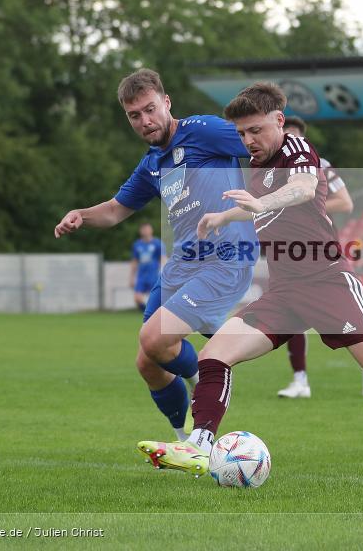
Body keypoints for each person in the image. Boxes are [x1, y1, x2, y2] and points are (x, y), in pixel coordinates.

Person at [137, 82, 363, 475]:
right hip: (285, 293)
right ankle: (199, 446)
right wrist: (225, 216)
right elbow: (260, 208)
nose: (248, 140)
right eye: (241, 133)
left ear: (279, 121)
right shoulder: (255, 167)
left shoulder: (296, 150)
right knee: (213, 355)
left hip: (330, 282)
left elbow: (303, 189)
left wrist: (260, 203)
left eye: (256, 130)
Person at [54, 68, 256, 449]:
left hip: (224, 257)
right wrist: (81, 215)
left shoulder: (204, 131)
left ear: (166, 102)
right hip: (183, 263)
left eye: (150, 109)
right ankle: (181, 438)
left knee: (154, 338)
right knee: (147, 361)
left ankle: (205, 389)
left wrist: (280, 190)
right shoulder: (151, 164)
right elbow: (115, 210)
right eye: (134, 115)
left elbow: (261, 144)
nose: (145, 121)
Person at [275, 115, 363, 399]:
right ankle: (300, 380)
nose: (290, 141)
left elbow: (346, 202)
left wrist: (305, 201)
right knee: (290, 314)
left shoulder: (319, 165)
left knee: (342, 317)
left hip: (321, 251)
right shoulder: (272, 169)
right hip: (288, 253)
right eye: (286, 135)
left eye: (295, 136)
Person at [129, 222, 165, 312]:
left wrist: (163, 272)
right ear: (140, 231)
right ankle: (148, 313)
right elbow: (135, 261)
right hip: (141, 275)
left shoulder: (157, 243)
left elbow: (163, 258)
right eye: (144, 229)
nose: (146, 231)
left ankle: (156, 314)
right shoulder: (137, 245)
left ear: (151, 230)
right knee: (137, 298)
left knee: (156, 298)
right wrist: (132, 277)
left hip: (153, 274)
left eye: (147, 229)